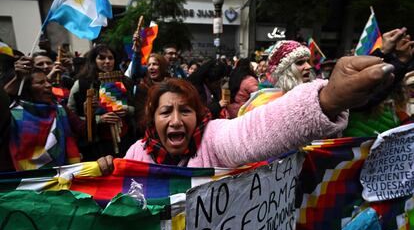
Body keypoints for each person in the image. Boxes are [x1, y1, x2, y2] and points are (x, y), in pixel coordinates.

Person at [97, 55, 395, 173]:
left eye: (185, 110)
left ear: (198, 114)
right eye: (166, 112)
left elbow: (254, 131)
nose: (176, 120)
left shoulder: (212, 138)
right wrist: (104, 172)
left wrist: (328, 98)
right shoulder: (136, 154)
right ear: (152, 120)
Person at [0, 69, 81, 171]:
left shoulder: (59, 109)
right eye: (41, 83)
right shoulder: (13, 113)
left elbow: (82, 129)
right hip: (20, 177)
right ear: (27, 88)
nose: (48, 85)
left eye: (48, 81)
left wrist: (92, 113)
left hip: (58, 175)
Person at [68, 44, 136, 159]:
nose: (107, 61)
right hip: (97, 144)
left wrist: (127, 110)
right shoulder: (82, 84)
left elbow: (137, 107)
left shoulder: (126, 81)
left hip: (125, 139)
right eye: (102, 58)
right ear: (94, 61)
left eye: (110, 58)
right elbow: (71, 115)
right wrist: (98, 119)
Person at [134, 53, 169, 138]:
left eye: (155, 64)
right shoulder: (142, 87)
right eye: (149, 65)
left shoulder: (171, 85)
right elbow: (139, 115)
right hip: (149, 132)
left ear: (162, 66)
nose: (151, 67)